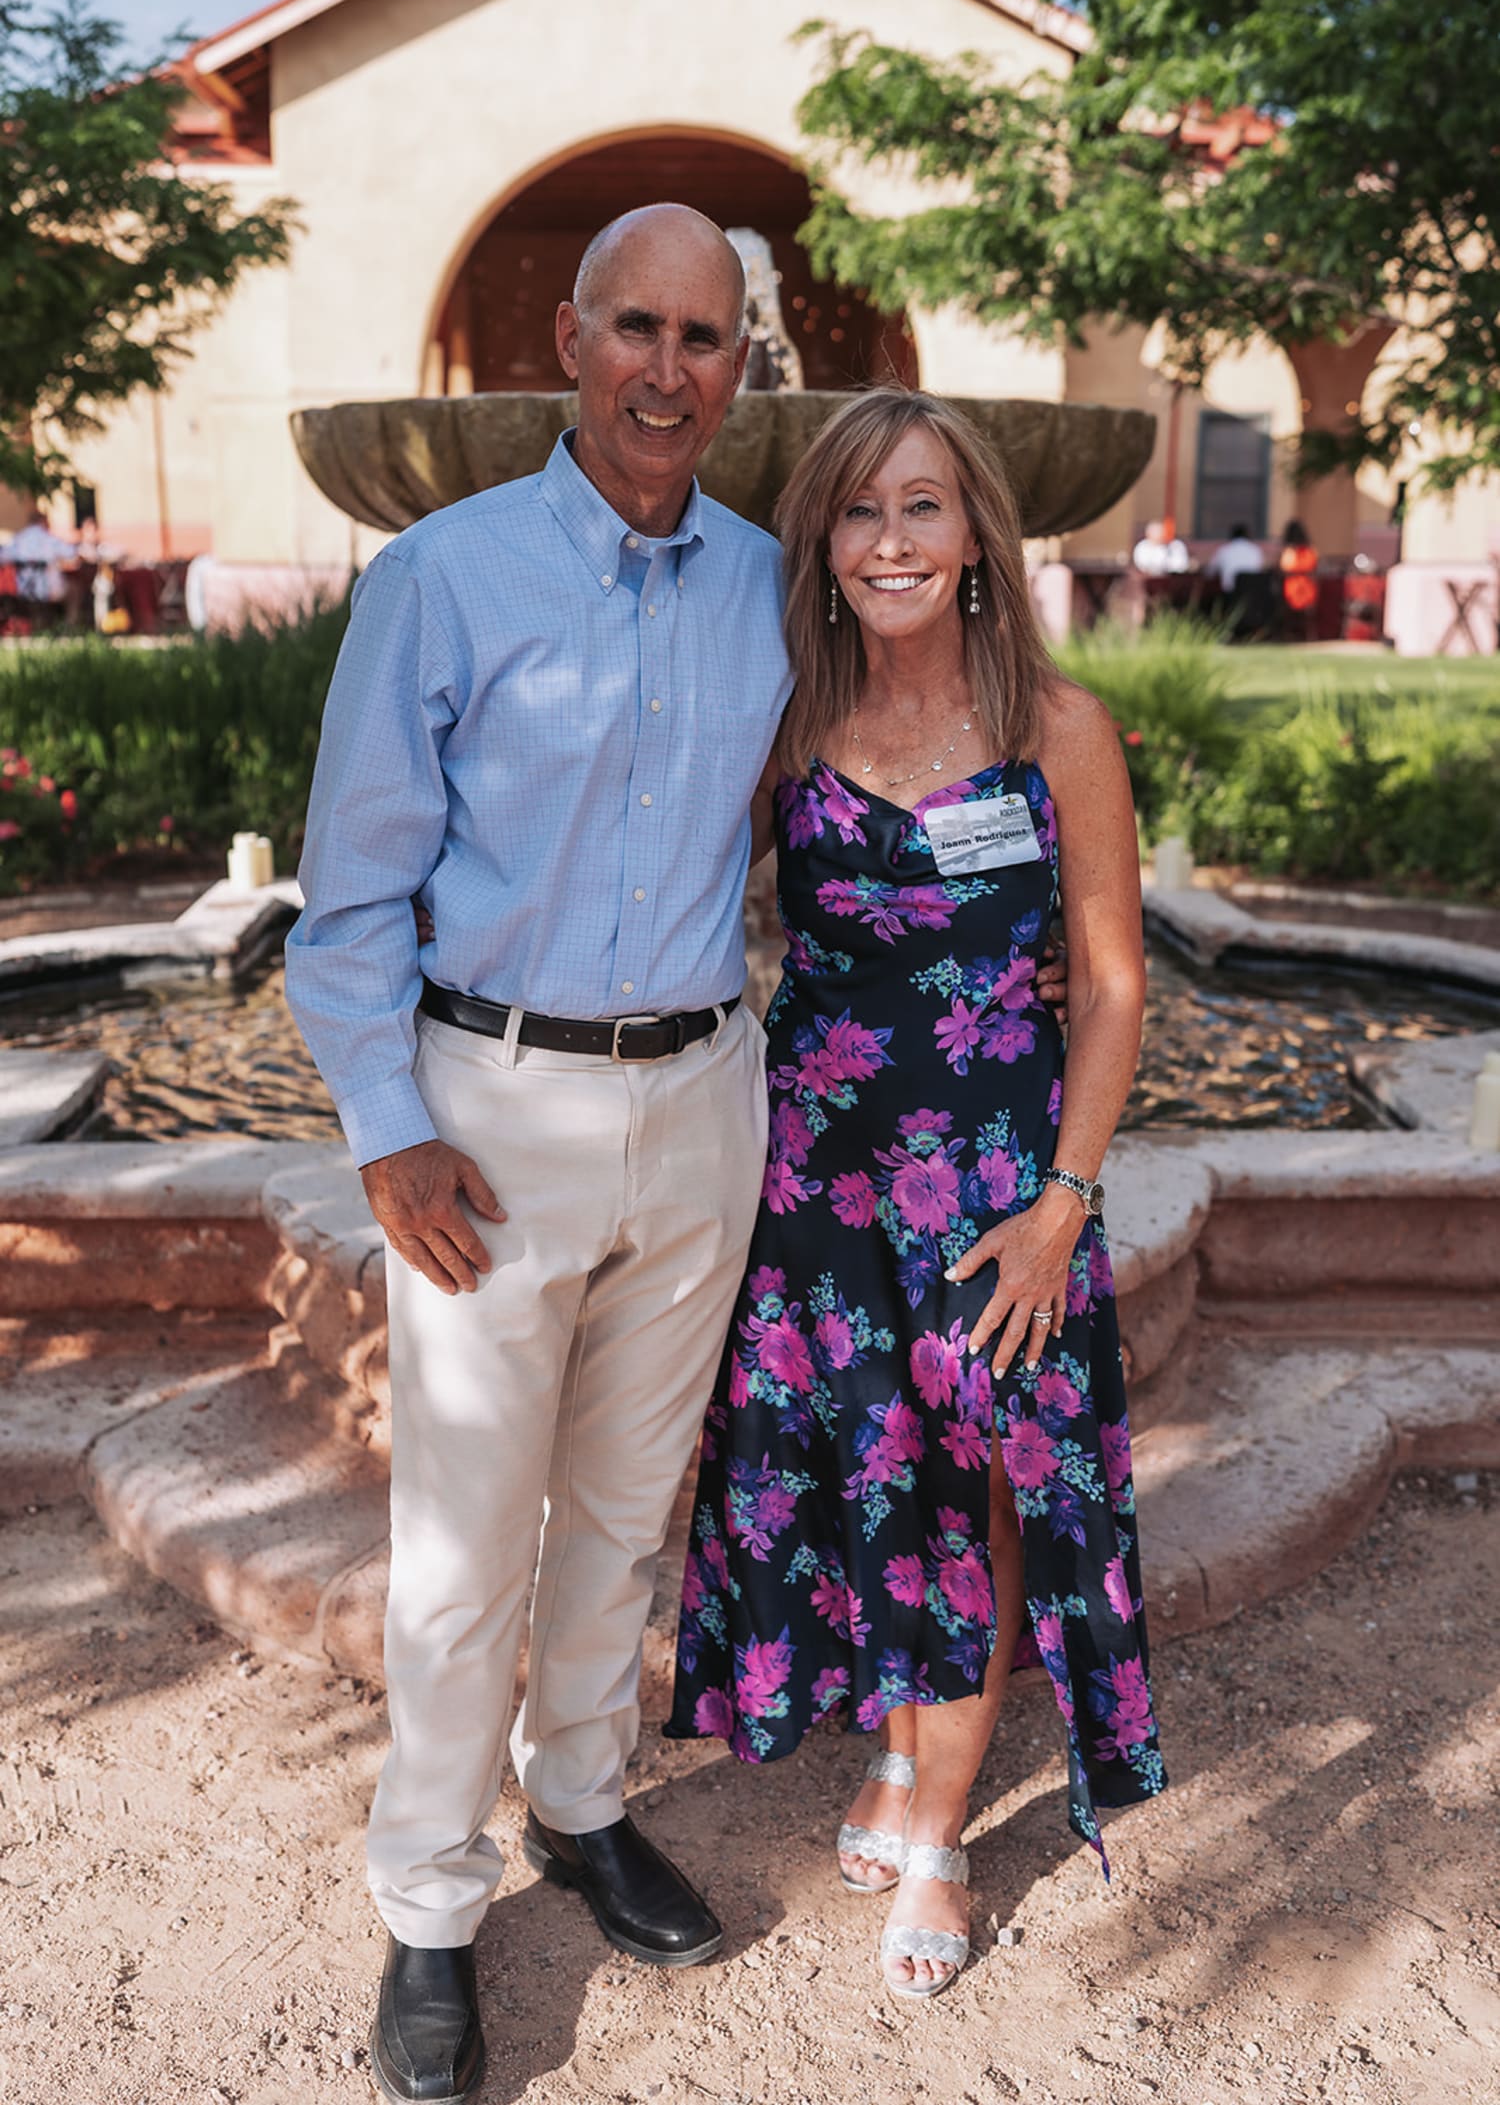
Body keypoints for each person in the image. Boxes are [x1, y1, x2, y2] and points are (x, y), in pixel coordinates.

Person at [286, 206, 790, 2104]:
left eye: (708, 337)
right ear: (573, 339)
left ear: (746, 360)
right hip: (491, 1115)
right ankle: (428, 1898)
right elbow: (350, 893)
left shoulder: (767, 579)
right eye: (639, 327)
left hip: (703, 1094)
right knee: (463, 1537)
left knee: (626, 1502)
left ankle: (581, 1800)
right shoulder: (443, 574)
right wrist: (387, 1128)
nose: (671, 368)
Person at [667, 388, 1166, 2002]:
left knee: (974, 1482)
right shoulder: (790, 723)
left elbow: (1110, 984)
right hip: (815, 1175)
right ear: (822, 541)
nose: (891, 538)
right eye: (860, 511)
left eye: (923, 507)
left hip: (996, 1184)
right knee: (866, 1468)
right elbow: (671, 901)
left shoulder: (1059, 726)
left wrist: (1065, 1200)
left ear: (975, 537)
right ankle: (899, 1750)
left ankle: (941, 1817)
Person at [1278, 517, 1319, 631]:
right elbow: (1315, 568)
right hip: (1309, 590)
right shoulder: (1311, 550)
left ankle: (1286, 632)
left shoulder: (1290, 552)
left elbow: (1283, 569)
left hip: (1292, 590)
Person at [1207, 521, 1263, 591]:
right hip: (1251, 592)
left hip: (1230, 593)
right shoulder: (1255, 550)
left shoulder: (1224, 549)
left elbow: (1210, 572)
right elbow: (1259, 570)